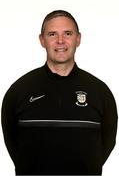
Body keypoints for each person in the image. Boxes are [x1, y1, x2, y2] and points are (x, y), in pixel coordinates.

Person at [1, 10, 118, 176]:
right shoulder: (19, 90)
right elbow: (11, 142)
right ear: (42, 40)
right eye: (52, 34)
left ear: (78, 39)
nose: (60, 41)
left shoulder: (100, 91)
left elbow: (108, 142)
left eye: (68, 33)